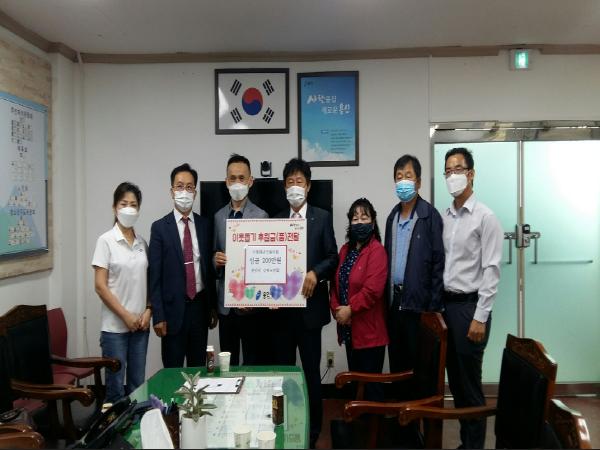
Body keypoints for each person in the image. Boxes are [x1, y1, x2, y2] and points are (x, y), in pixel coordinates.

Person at [271, 158, 338, 448]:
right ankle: (283, 426)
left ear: (308, 186)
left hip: (310, 311)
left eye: (299, 182)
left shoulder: (322, 218)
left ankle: (312, 431)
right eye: (290, 182)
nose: (294, 187)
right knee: (283, 373)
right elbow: (269, 263)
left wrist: (315, 273)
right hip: (281, 313)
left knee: (311, 373)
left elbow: (333, 257)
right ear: (284, 187)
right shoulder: (275, 221)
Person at [442, 147, 503, 449]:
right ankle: (467, 443)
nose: (452, 175)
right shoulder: (446, 216)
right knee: (456, 382)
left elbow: (492, 271)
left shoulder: (485, 217)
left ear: (471, 174)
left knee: (470, 385)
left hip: (470, 309)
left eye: (458, 169)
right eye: (448, 171)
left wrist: (480, 317)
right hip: (448, 307)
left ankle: (475, 445)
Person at [149, 163, 218, 368]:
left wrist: (212, 307)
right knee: (173, 371)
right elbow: (155, 276)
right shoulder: (160, 228)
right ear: (172, 191)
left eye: (189, 187)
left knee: (198, 370)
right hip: (172, 313)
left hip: (199, 308)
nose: (184, 192)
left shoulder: (205, 225)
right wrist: (158, 315)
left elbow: (208, 271)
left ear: (195, 193)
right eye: (179, 186)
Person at [384, 155, 445, 377]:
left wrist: (433, 309)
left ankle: (419, 402)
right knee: (397, 365)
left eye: (408, 176)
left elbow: (439, 264)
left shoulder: (430, 216)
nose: (403, 182)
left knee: (419, 368)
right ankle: (400, 401)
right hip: (395, 303)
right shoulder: (392, 217)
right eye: (399, 177)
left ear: (418, 182)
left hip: (420, 306)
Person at [92, 182, 151, 402]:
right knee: (115, 389)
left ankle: (138, 423)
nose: (128, 209)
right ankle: (114, 426)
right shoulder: (105, 241)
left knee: (137, 386)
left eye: (133, 205)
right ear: (114, 207)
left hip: (140, 327)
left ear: (139, 209)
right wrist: (125, 316)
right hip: (115, 329)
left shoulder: (142, 243)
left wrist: (148, 311)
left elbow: (148, 282)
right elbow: (100, 286)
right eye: (123, 204)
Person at [330, 198, 388, 401]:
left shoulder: (377, 250)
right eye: (355, 218)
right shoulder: (345, 250)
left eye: (364, 217)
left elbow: (372, 291)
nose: (359, 222)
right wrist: (337, 310)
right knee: (356, 384)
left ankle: (374, 421)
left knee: (371, 387)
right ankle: (359, 419)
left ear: (373, 222)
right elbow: (335, 284)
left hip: (369, 332)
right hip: (348, 329)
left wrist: (350, 310)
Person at [213, 154, 268, 366]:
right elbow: (213, 254)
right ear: (226, 181)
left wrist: (252, 298)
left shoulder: (261, 216)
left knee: (253, 362)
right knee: (228, 364)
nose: (237, 183)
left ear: (250, 181)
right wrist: (215, 260)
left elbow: (265, 263)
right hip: (226, 305)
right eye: (233, 178)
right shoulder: (218, 217)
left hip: (251, 304)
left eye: (242, 178)